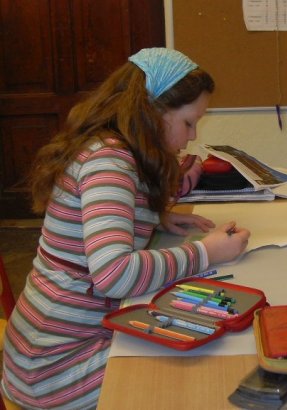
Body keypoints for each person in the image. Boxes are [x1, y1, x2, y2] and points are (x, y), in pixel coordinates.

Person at [1, 48, 250, 409]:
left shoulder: (108, 146)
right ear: (153, 112)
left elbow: (97, 220)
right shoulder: (109, 161)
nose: (192, 136)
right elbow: (114, 274)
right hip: (52, 372)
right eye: (188, 123)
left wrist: (152, 218)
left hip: (48, 348)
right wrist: (206, 252)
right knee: (196, 371)